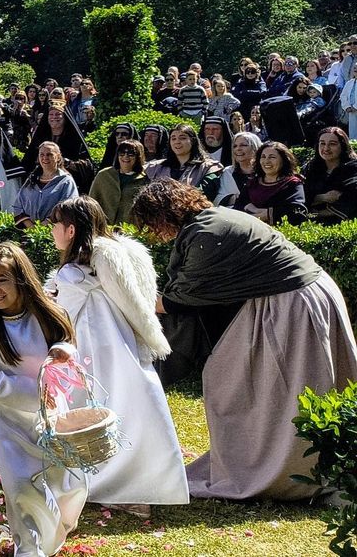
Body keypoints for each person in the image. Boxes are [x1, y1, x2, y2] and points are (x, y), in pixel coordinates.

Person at [131, 180, 357, 500]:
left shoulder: (208, 233)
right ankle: (285, 462)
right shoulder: (214, 219)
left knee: (263, 387)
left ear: (165, 214)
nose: (154, 233)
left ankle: (286, 468)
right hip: (302, 295)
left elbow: (181, 299)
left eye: (152, 223)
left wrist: (132, 301)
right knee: (254, 383)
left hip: (293, 302)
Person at [45, 198, 187, 515]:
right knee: (125, 404)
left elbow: (62, 313)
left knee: (94, 405)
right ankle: (134, 482)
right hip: (117, 343)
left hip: (92, 346)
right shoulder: (107, 257)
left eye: (55, 224)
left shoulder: (73, 272)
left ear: (70, 230)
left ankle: (105, 482)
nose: (52, 230)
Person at [0, 243, 86, 557]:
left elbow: (67, 344)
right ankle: (29, 546)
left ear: (21, 278)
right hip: (7, 417)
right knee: (22, 485)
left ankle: (58, 526)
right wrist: (37, 392)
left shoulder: (49, 314)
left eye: (1, 280)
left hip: (51, 411)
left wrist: (62, 352)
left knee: (68, 480)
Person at [234, 141, 309, 224]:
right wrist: (251, 208)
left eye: (272, 157)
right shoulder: (252, 183)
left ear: (283, 160)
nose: (266, 161)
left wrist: (267, 214)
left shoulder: (292, 184)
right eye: (263, 157)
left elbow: (297, 211)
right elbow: (238, 206)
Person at [146, 123, 225, 201]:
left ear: (193, 140)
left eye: (182, 138)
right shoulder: (155, 168)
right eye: (173, 138)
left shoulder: (208, 167)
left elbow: (204, 194)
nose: (177, 142)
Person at [14, 142, 78, 229]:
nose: (45, 158)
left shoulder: (66, 181)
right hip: (28, 232)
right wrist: (30, 226)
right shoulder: (32, 179)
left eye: (49, 154)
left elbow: (68, 208)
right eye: (42, 154)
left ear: (58, 157)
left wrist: (45, 225)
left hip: (55, 232)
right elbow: (18, 205)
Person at [88, 140, 149, 225]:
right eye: (122, 153)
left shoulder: (145, 180)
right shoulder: (104, 175)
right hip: (103, 228)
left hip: (129, 230)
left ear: (139, 156)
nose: (125, 156)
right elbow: (91, 202)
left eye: (131, 154)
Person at [306, 127, 357, 225]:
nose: (326, 148)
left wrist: (319, 213)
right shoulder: (310, 168)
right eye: (322, 143)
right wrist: (322, 197)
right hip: (309, 223)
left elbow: (351, 198)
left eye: (332, 144)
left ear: (343, 146)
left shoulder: (353, 168)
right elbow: (301, 196)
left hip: (342, 223)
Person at [23, 103, 90, 168]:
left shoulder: (74, 138)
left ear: (65, 117)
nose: (54, 117)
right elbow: (29, 160)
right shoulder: (40, 136)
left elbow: (87, 164)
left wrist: (67, 163)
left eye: (58, 114)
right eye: (51, 114)